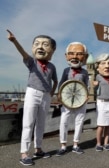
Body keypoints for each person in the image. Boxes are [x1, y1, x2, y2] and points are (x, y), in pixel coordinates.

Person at [7, 30, 58, 166]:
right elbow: (22, 52)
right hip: (32, 93)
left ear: (53, 50)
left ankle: (38, 149)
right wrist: (14, 41)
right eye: (37, 44)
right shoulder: (32, 62)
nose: (40, 47)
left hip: (46, 96)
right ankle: (24, 153)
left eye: (45, 45)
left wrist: (52, 93)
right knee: (28, 123)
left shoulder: (52, 66)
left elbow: (55, 81)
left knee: (41, 123)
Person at [56, 42, 89, 156]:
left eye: (79, 54)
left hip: (81, 100)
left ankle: (75, 144)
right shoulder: (66, 70)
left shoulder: (85, 72)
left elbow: (86, 85)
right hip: (67, 101)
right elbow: (61, 83)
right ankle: (63, 145)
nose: (75, 57)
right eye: (72, 54)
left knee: (79, 122)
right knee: (64, 121)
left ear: (84, 57)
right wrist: (59, 94)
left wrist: (87, 95)